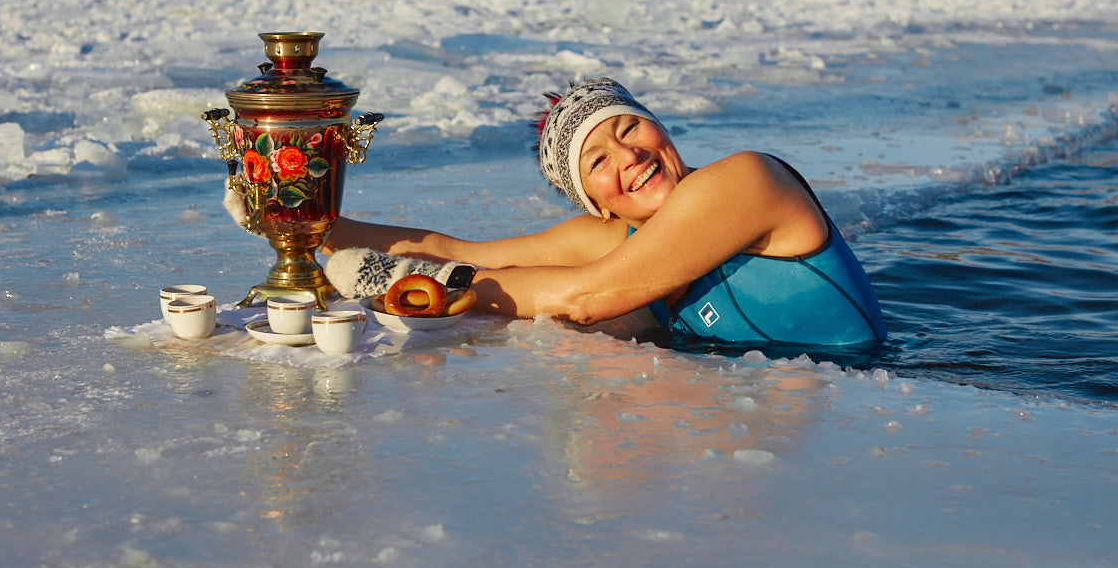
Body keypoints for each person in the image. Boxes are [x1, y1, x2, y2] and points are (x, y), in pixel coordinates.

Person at [320, 78, 886, 350]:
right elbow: (458, 253)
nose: (630, 157)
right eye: (598, 160)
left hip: (862, 405)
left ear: (658, 125)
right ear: (593, 201)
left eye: (630, 128)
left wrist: (429, 288)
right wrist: (305, 223)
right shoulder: (613, 238)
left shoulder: (745, 181)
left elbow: (588, 298)